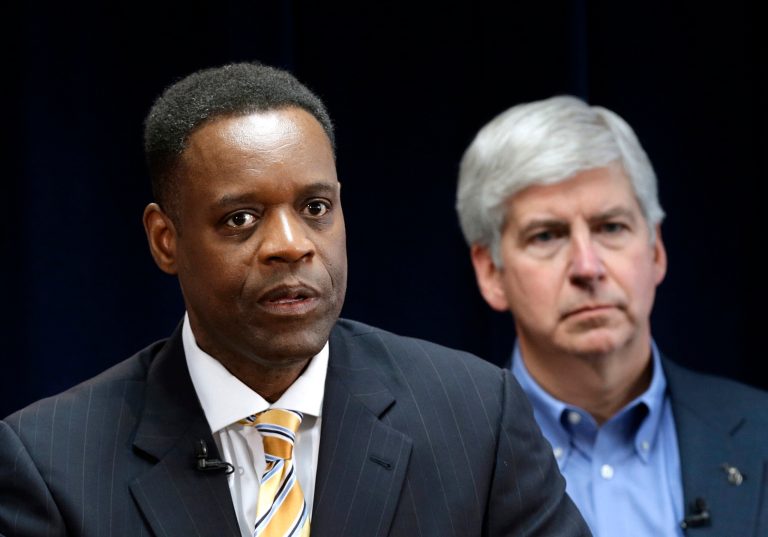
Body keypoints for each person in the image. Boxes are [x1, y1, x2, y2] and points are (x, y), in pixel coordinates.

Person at [0, 64, 590, 537]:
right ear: (165, 240)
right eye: (241, 218)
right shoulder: (52, 464)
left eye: (315, 208)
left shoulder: (477, 417)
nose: (290, 245)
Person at [456, 95, 768, 537]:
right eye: (547, 236)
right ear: (491, 272)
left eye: (610, 227)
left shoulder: (761, 432)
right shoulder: (443, 463)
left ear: (656, 250)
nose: (588, 267)